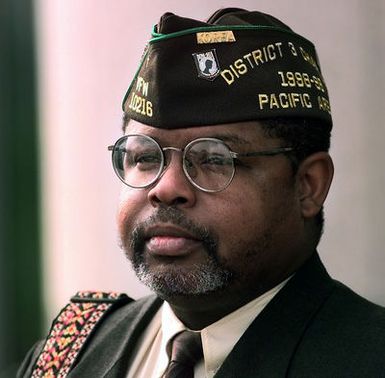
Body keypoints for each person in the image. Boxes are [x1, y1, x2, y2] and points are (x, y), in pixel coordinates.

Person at [18, 8, 385, 378]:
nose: (166, 188)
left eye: (213, 159)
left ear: (308, 185)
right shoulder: (70, 352)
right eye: (145, 157)